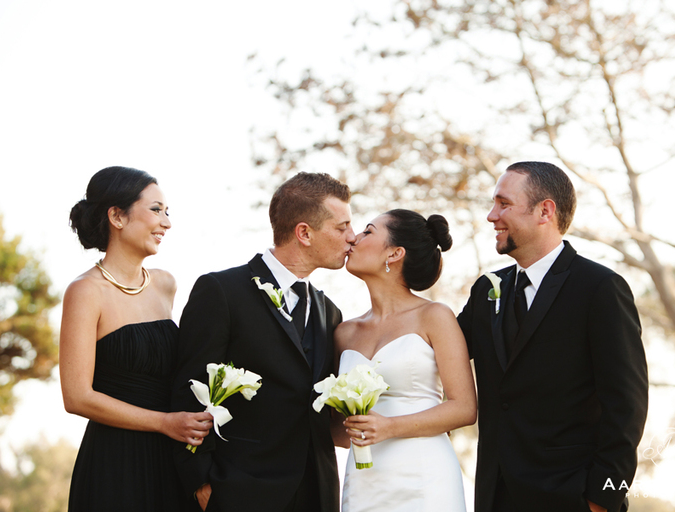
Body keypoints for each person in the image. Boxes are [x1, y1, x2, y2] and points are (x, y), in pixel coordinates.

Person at [457, 161, 648, 512]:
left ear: (545, 211)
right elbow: (439, 352)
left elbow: (628, 406)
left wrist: (603, 498)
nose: (491, 215)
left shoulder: (599, 288)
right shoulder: (487, 290)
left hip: (573, 497)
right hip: (495, 495)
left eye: (503, 204)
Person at [170, 172, 356, 512]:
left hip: (318, 490)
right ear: (304, 233)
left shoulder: (330, 312)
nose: (352, 238)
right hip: (239, 490)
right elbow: (188, 390)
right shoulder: (222, 291)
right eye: (342, 227)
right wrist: (202, 483)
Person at [61, 166, 213, 511]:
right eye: (156, 210)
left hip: (173, 458)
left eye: (167, 212)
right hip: (116, 463)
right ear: (117, 216)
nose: (167, 223)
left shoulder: (165, 284)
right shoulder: (85, 292)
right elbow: (77, 397)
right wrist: (164, 423)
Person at [335, 209, 477, 512]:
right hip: (364, 480)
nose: (353, 238)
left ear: (395, 253)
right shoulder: (344, 333)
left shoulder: (435, 317)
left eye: (368, 232)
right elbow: (335, 429)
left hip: (424, 474)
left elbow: (464, 408)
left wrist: (390, 427)